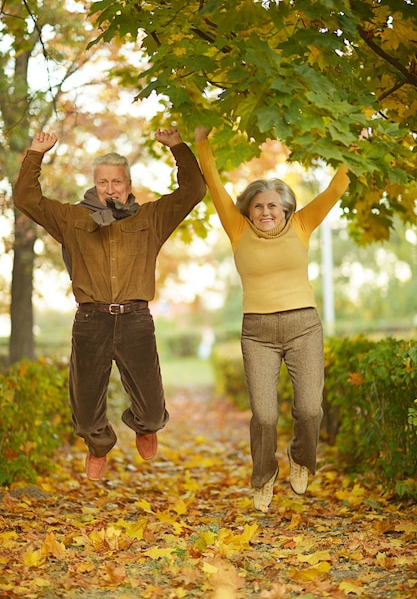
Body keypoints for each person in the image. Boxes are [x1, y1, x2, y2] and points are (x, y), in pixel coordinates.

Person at [14, 127, 206, 481]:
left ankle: (144, 426)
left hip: (136, 321)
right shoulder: (73, 219)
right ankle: (98, 446)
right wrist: (35, 155)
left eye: (116, 182)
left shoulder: (150, 217)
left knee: (151, 411)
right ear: (94, 185)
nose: (110, 189)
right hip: (91, 322)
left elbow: (193, 191)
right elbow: (27, 199)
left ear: (128, 185)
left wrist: (178, 147)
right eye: (103, 183)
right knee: (86, 411)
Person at [194, 126, 350, 512]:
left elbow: (334, 189)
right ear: (248, 209)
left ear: (286, 210)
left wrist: (354, 150)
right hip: (258, 333)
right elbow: (213, 181)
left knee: (310, 409)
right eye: (258, 205)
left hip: (303, 327)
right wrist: (201, 140)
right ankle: (263, 475)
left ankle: (301, 457)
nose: (265, 212)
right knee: (264, 415)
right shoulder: (237, 229)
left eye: (272, 206)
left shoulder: (301, 226)